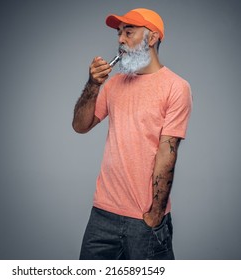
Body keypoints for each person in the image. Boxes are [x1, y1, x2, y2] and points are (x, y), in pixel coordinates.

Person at [72, 8, 192, 260]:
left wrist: (155, 214)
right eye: (119, 33)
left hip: (144, 217)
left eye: (128, 32)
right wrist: (93, 84)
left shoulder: (176, 87)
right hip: (102, 214)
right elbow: (80, 126)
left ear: (152, 38)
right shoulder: (114, 84)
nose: (120, 40)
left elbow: (166, 153)